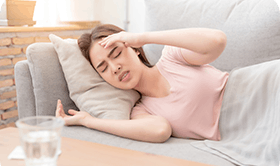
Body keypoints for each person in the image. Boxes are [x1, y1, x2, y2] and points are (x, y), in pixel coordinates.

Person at [56, 24, 228, 143]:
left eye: (116, 54)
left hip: (250, 91)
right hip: (241, 137)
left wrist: (142, 37)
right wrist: (88, 121)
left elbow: (217, 40)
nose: (114, 68)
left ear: (135, 48)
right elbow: (160, 130)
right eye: (103, 68)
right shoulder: (141, 111)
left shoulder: (173, 57)